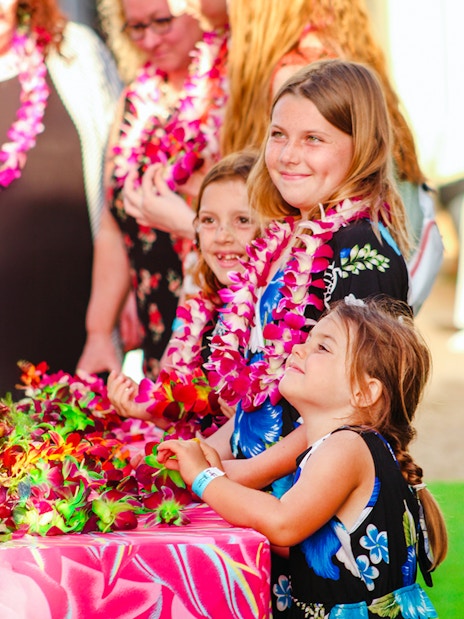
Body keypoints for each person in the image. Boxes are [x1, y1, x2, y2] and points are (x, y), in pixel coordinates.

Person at [158, 296, 448, 618]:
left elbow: (283, 523)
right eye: (308, 340)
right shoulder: (345, 447)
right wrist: (217, 473)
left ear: (364, 392)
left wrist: (205, 480)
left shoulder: (347, 447)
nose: (297, 349)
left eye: (322, 348)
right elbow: (301, 546)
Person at [170, 0, 442, 312]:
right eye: (277, 135)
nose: (288, 155)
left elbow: (351, 359)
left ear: (362, 146)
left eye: (312, 139)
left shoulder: (362, 258)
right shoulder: (286, 240)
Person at [77, 0, 228, 381]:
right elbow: (114, 224)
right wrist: (98, 332)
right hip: (158, 324)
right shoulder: (134, 101)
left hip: (221, 317)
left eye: (162, 22)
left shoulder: (229, 90)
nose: (150, 39)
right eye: (137, 28)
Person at [0, 0, 121, 397]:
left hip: (78, 312)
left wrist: (125, 292)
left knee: (74, 449)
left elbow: (120, 167)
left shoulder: (73, 49)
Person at [106, 149, 259, 432]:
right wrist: (149, 412)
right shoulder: (205, 309)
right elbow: (190, 422)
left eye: (242, 220)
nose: (223, 236)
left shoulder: (275, 313)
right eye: (209, 221)